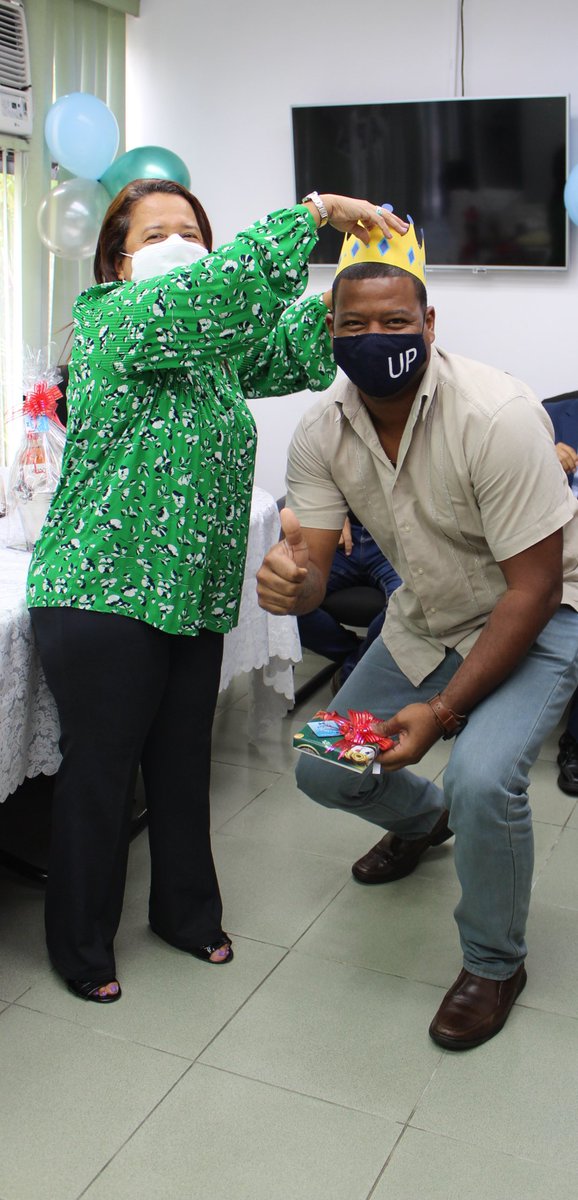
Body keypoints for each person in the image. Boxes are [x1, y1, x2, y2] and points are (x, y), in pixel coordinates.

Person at [27, 180, 407, 1003]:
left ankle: (186, 915)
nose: (179, 244)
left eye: (191, 231)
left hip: (189, 592)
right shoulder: (115, 322)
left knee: (178, 763)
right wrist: (311, 215)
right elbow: (220, 291)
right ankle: (81, 947)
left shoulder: (211, 348)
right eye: (158, 234)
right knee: (101, 773)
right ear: (118, 262)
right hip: (102, 589)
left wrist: (361, 263)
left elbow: (300, 351)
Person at [256, 217, 578, 1050]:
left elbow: (534, 588)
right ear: (330, 332)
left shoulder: (497, 415)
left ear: (429, 325)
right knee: (328, 757)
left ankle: (495, 961)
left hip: (541, 619)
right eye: (353, 325)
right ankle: (418, 821)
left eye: (395, 322)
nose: (375, 339)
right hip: (425, 620)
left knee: (482, 779)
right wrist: (294, 587)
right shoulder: (322, 432)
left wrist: (442, 716)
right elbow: (318, 569)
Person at [297, 511, 401, 688]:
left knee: (407, 604)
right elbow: (312, 490)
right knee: (289, 597)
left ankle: (351, 674)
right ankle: (361, 658)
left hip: (394, 542)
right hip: (343, 539)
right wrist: (333, 511)